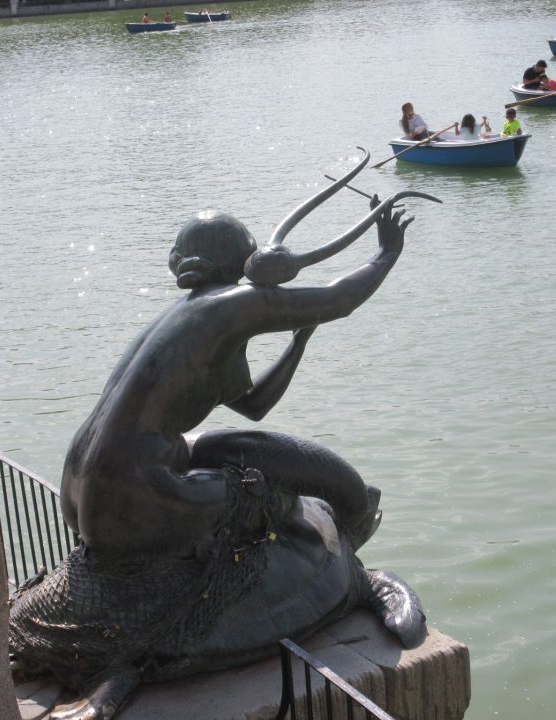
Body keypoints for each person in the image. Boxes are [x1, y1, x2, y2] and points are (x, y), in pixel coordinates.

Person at [58, 173, 420, 560]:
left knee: (240, 449)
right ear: (244, 259)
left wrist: (298, 342)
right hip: (136, 498)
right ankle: (334, 552)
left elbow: (252, 406)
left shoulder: (187, 313)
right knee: (269, 495)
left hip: (79, 489)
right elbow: (338, 299)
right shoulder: (233, 305)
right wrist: (386, 254)